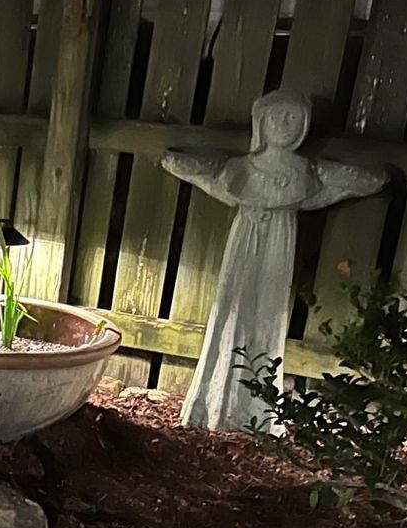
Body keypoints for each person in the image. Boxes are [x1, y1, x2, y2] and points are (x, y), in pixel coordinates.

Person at [163, 89, 385, 432]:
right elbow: (205, 176)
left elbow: (355, 183)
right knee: (230, 309)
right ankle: (214, 398)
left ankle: (258, 408)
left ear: (304, 126)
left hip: (280, 240)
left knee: (269, 313)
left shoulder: (305, 172)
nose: (283, 124)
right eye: (275, 117)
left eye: (292, 117)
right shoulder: (241, 169)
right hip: (244, 239)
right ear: (261, 123)